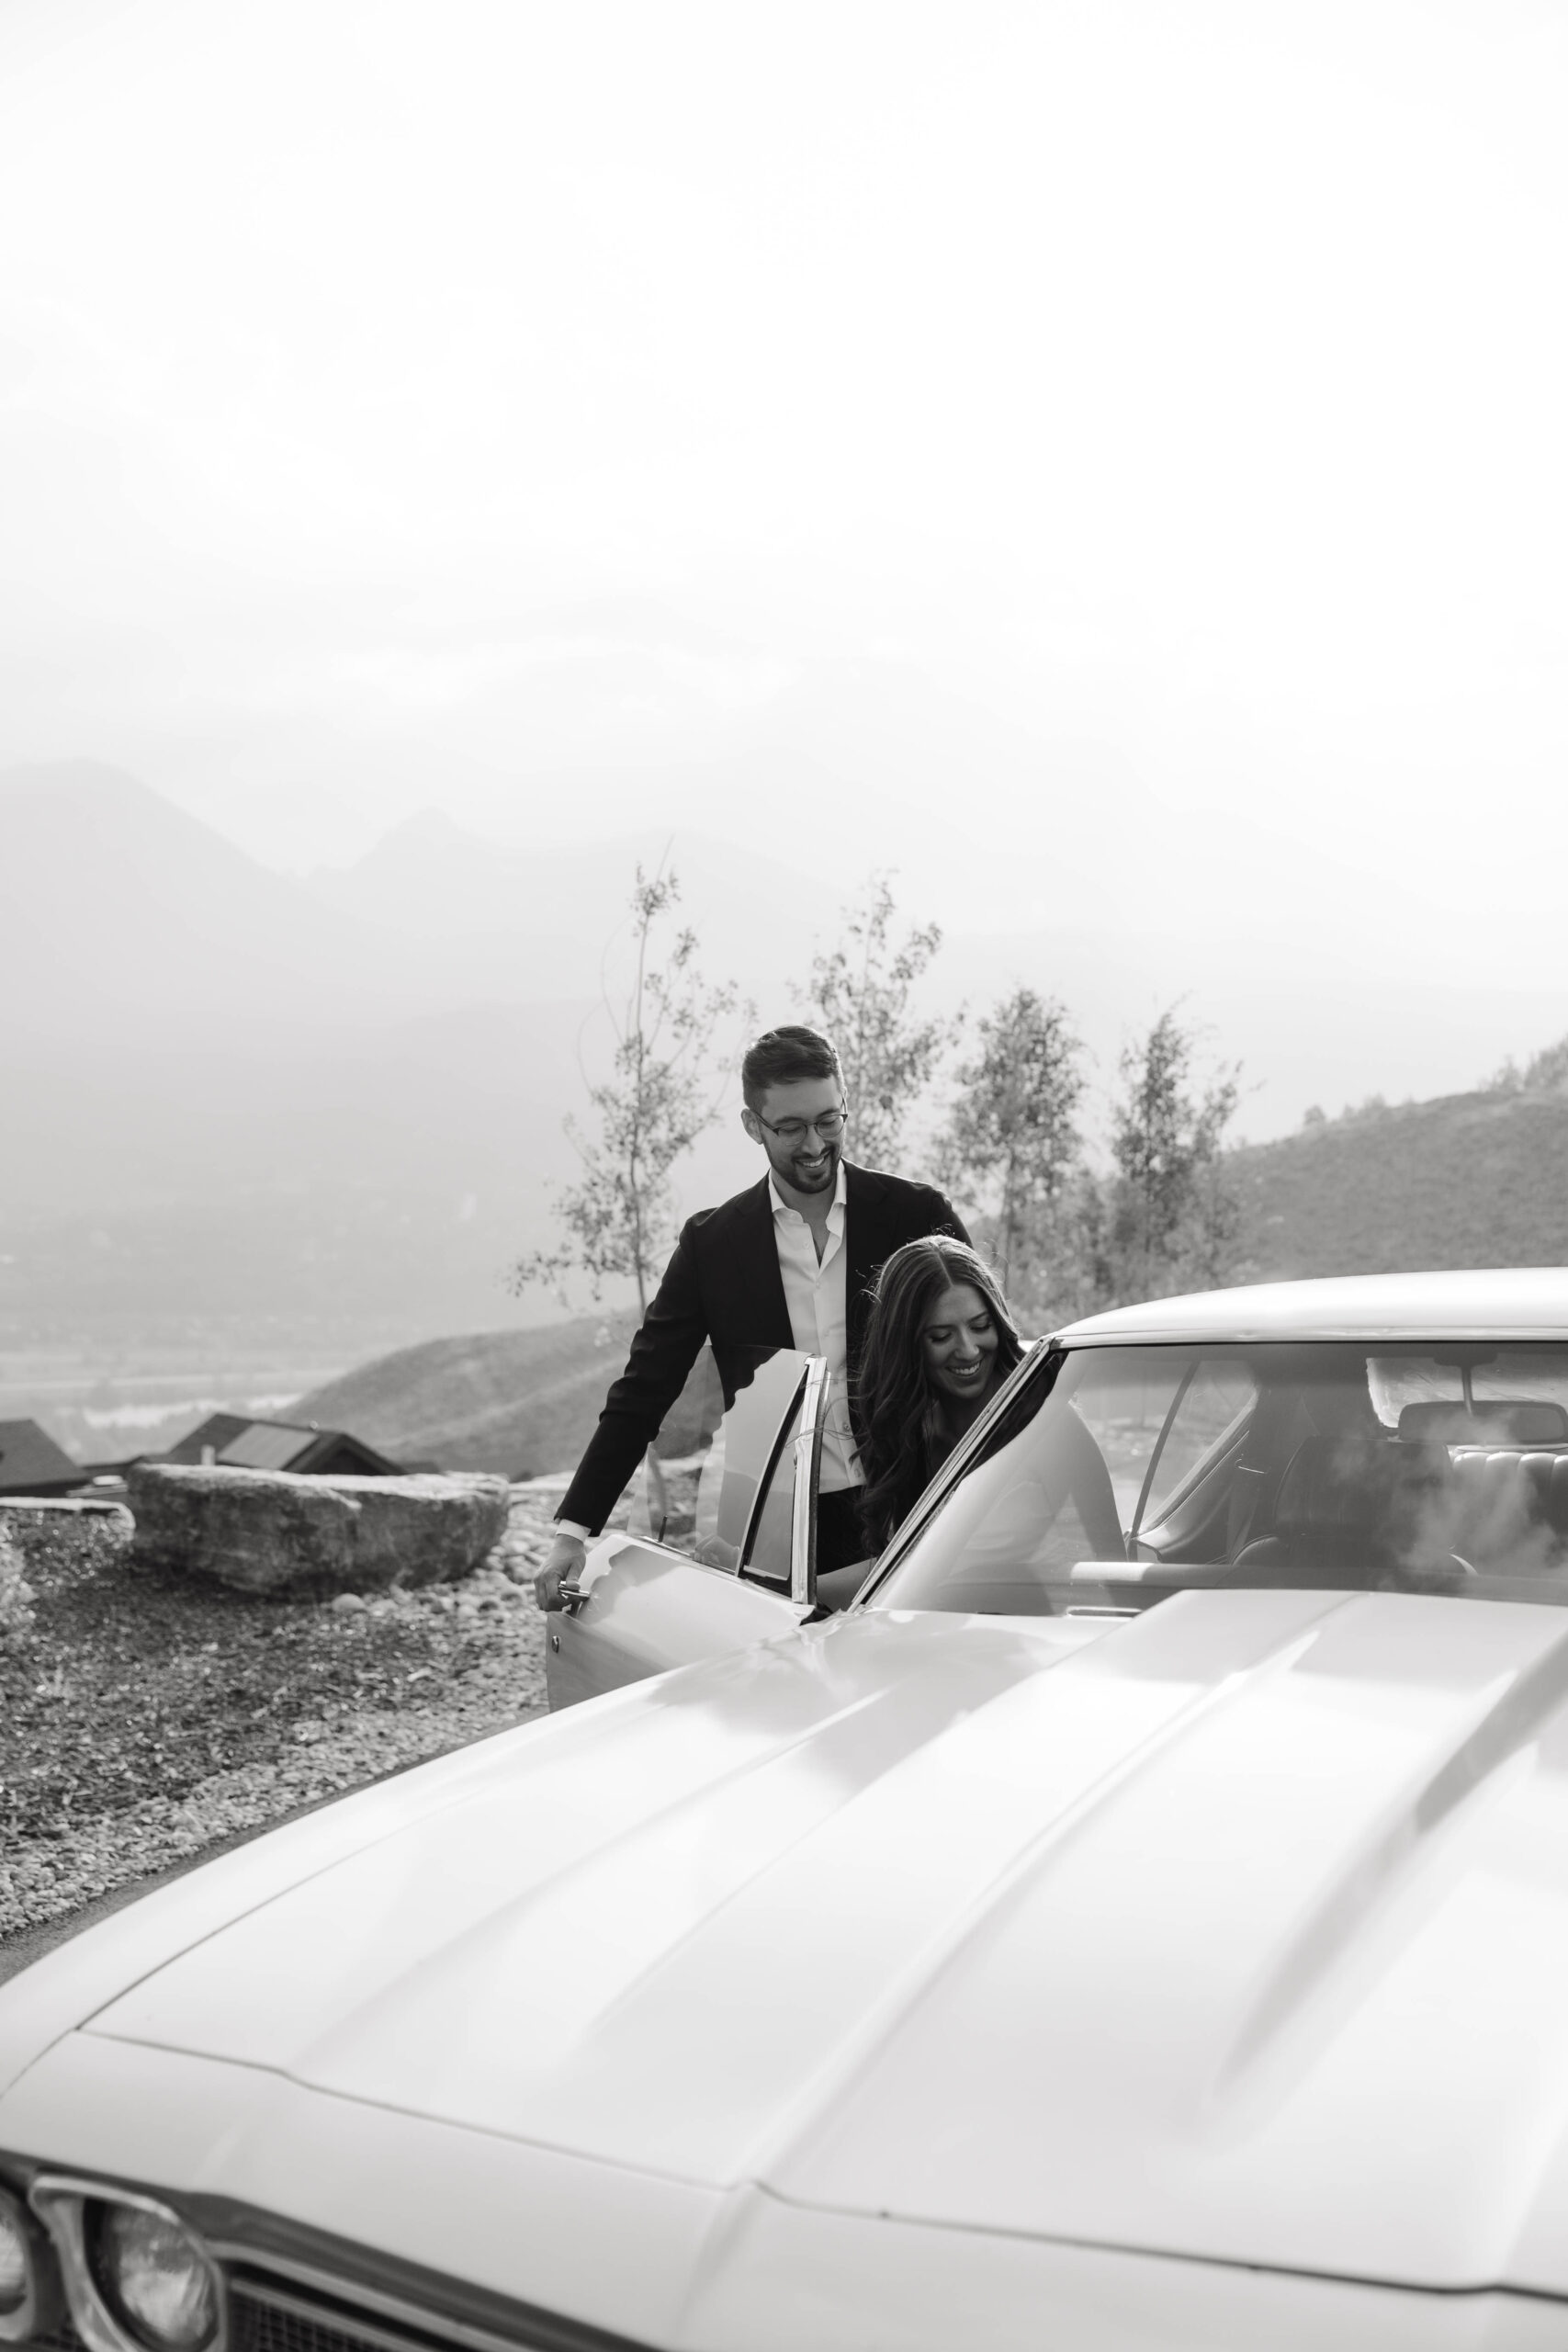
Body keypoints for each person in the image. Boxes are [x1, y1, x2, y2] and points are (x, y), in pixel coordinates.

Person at [535, 1023, 970, 1606]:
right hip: (780, 1525)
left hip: (916, 1496)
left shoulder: (916, 1214)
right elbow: (645, 1389)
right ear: (753, 1126)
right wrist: (574, 1532)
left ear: (845, 1107)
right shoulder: (712, 1245)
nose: (814, 1144)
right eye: (789, 1128)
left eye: (827, 1121)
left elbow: (985, 1350)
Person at [854, 1237, 1025, 1557]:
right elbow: (897, 1572)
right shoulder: (911, 1431)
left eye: (981, 1325)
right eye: (941, 1336)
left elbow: (1105, 1559)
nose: (969, 1349)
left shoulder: (1045, 1419)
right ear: (906, 1344)